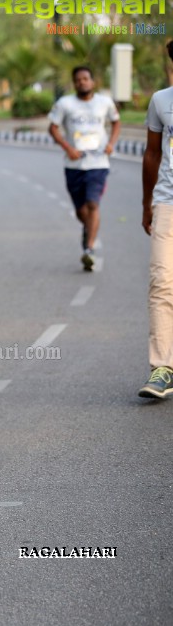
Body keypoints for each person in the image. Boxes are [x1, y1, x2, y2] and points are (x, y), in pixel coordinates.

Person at [48, 65, 121, 272]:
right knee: (81, 210)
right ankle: (87, 229)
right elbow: (52, 128)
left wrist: (111, 144)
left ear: (93, 81)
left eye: (86, 79)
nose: (82, 82)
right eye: (78, 80)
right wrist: (68, 148)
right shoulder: (65, 104)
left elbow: (116, 122)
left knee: (93, 204)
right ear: (74, 83)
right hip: (74, 165)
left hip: (98, 163)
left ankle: (89, 249)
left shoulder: (104, 103)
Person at [139, 39, 173, 399]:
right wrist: (147, 202)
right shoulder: (161, 101)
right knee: (162, 282)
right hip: (168, 202)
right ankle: (162, 367)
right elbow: (151, 154)